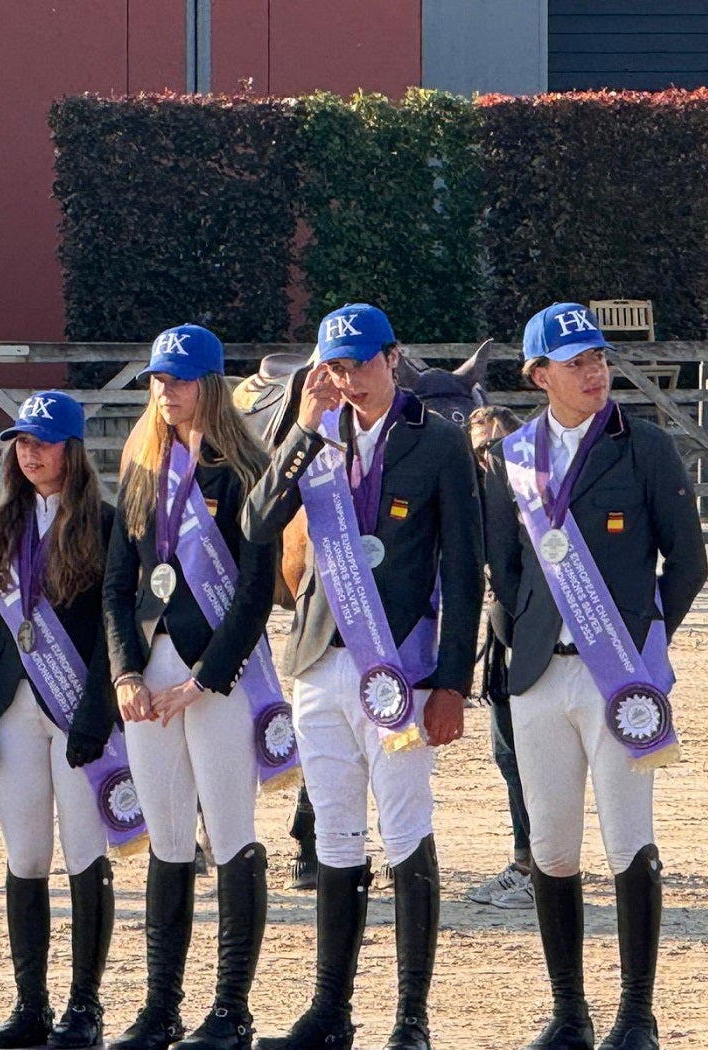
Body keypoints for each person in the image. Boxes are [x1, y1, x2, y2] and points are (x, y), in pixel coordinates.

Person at [243, 304, 484, 1050]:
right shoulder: (313, 437)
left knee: (406, 828)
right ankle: (330, 1011)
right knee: (335, 836)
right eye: (336, 368)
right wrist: (305, 426)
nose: (349, 380)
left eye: (360, 365)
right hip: (320, 658)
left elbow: (464, 571)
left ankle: (410, 1018)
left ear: (393, 357)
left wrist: (452, 682)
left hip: (402, 667)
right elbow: (257, 525)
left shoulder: (438, 444)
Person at [483, 304, 707, 1050]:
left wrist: (643, 647)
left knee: (627, 841)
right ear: (539, 373)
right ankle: (569, 1013)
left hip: (620, 683)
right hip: (542, 677)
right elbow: (505, 568)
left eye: (598, 358)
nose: (593, 372)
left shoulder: (643, 447)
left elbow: (689, 561)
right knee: (550, 846)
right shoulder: (512, 457)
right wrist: (528, 649)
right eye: (575, 361)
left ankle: (636, 1015)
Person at [105, 324, 284, 1050]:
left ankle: (230, 1009)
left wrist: (209, 678)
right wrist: (124, 670)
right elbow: (118, 585)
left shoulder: (245, 472)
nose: (165, 392)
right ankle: (161, 1006)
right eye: (158, 379)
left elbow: (254, 590)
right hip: (150, 676)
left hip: (218, 677)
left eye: (178, 380)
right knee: (168, 840)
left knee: (233, 834)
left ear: (209, 383)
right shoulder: (142, 469)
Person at [0, 390, 125, 1050]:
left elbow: (110, 629)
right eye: (22, 443)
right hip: (12, 712)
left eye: (44, 442)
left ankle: (84, 1006)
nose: (30, 453)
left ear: (73, 451)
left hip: (78, 713)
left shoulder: (106, 524)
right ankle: (31, 1003)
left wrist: (96, 713)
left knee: (85, 853)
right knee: (25, 855)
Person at [463, 404, 536, 911]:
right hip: (500, 639)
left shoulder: (529, 500)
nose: (487, 457)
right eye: (479, 450)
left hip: (530, 639)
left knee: (527, 756)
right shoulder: (476, 498)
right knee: (507, 754)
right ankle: (525, 856)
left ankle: (533, 865)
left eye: (496, 446)